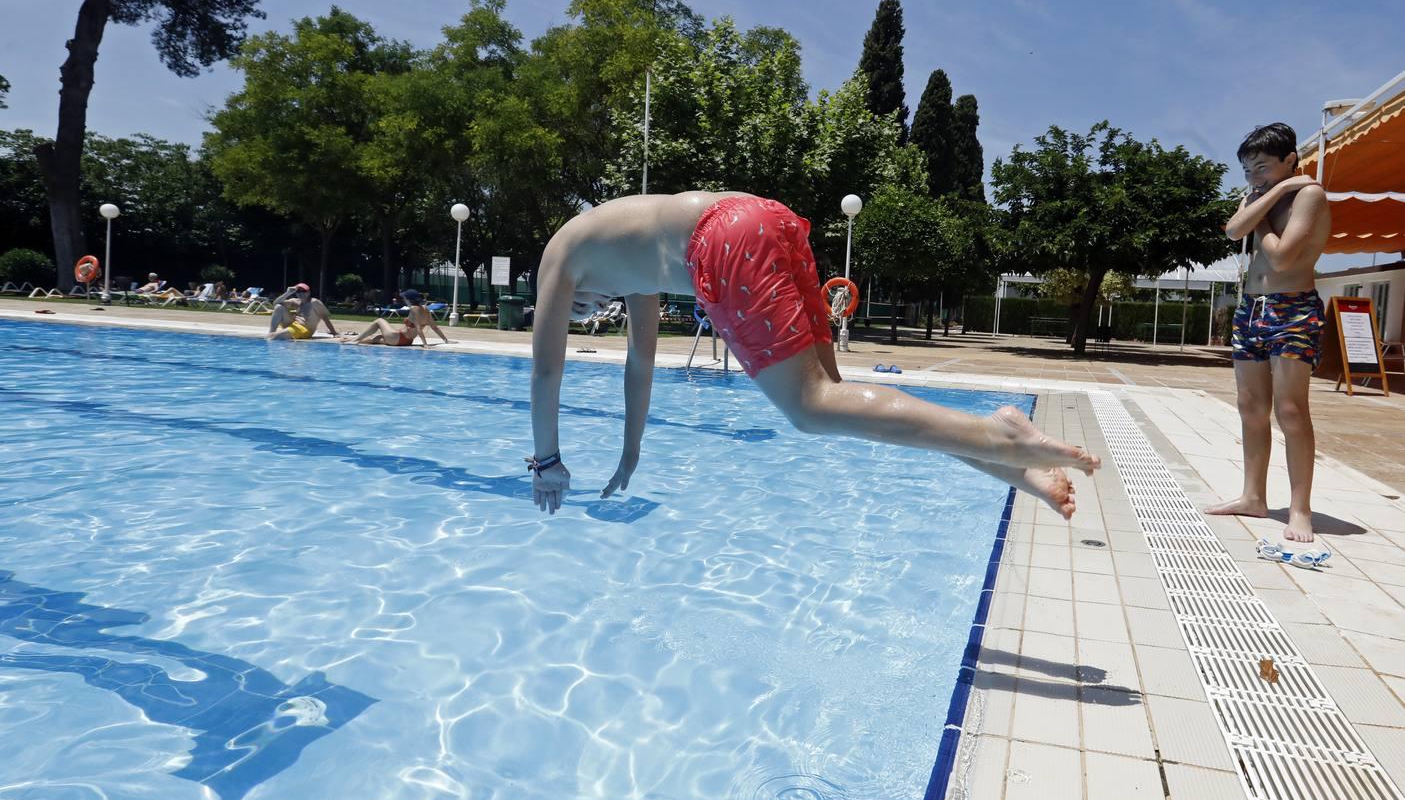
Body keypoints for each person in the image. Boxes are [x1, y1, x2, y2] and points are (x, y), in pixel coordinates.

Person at [527, 191, 1100, 516]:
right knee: (842, 402)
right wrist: (630, 451)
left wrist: (547, 462)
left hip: (721, 240)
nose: (584, 312)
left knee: (810, 408)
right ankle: (1015, 465)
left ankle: (1002, 433)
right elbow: (640, 364)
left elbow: (547, 367)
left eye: (576, 311)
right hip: (763, 218)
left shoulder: (560, 253)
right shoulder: (626, 264)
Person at [1207, 123, 1331, 543]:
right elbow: (1232, 230)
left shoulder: (1309, 195)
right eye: (1247, 171)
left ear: (1291, 160)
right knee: (1250, 408)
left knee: (1291, 411)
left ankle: (1299, 509)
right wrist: (1269, 195)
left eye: (1261, 168)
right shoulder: (1265, 195)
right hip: (1251, 310)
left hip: (1292, 309)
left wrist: (1267, 202)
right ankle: (1253, 497)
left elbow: (1279, 258)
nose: (1253, 178)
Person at [343, 288, 450, 347]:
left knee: (379, 320)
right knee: (375, 339)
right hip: (407, 341)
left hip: (398, 337)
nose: (404, 300)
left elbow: (417, 327)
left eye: (404, 298)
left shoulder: (414, 309)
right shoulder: (426, 310)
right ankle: (350, 339)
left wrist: (425, 344)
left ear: (409, 299)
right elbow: (435, 327)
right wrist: (445, 340)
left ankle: (354, 339)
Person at [267, 282, 339, 340]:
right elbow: (275, 303)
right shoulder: (295, 301)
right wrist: (288, 293)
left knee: (273, 337)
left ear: (309, 292)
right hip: (292, 325)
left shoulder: (314, 302)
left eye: (304, 291)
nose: (301, 294)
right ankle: (271, 332)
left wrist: (334, 333)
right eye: (298, 291)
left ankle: (272, 335)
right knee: (279, 307)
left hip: (304, 329)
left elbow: (325, 319)